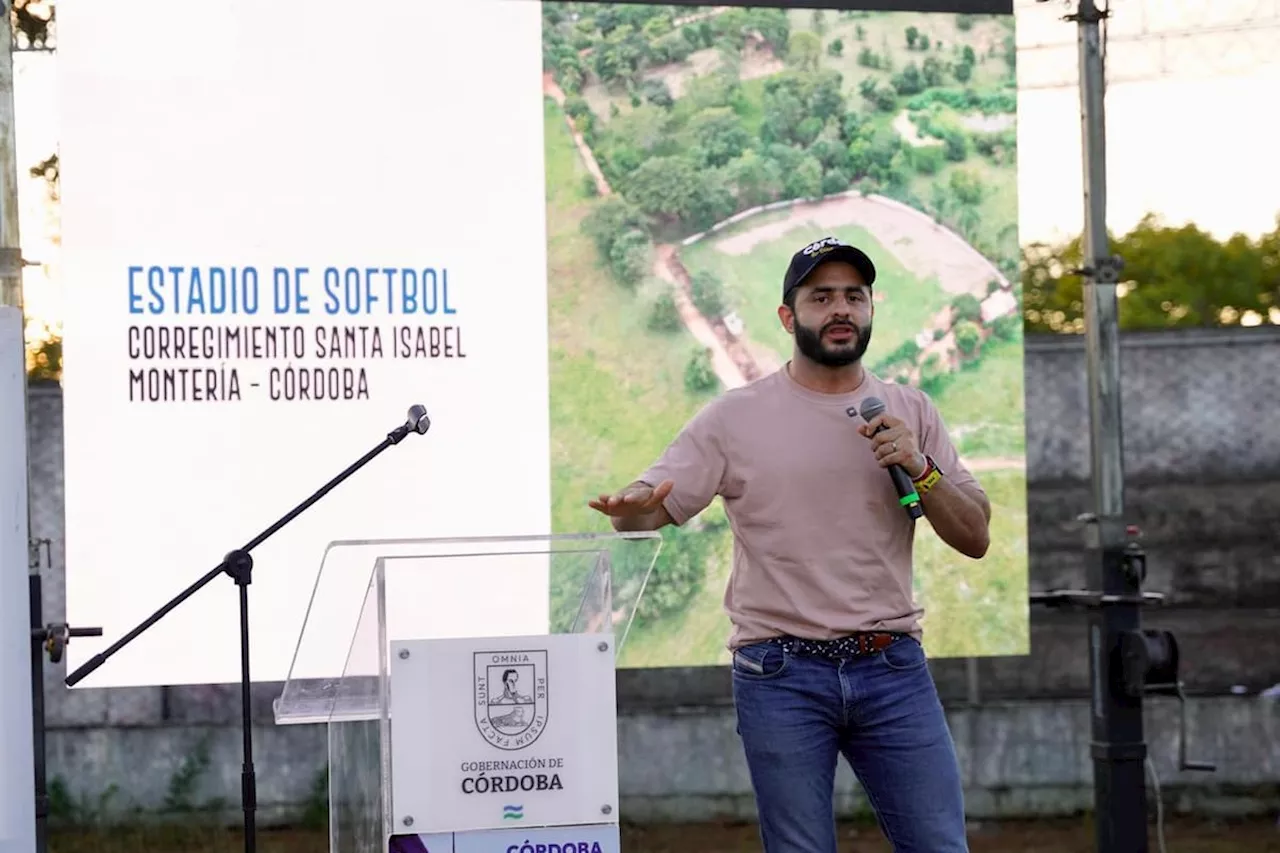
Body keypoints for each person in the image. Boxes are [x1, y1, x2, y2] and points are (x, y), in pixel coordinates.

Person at [588, 235, 992, 853]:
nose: (840, 309)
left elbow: (975, 536)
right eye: (821, 296)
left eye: (853, 296)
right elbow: (647, 508)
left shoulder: (910, 411)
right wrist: (630, 512)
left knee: (941, 846)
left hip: (892, 668)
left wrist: (920, 465)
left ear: (871, 310)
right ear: (788, 315)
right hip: (781, 674)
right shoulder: (734, 418)